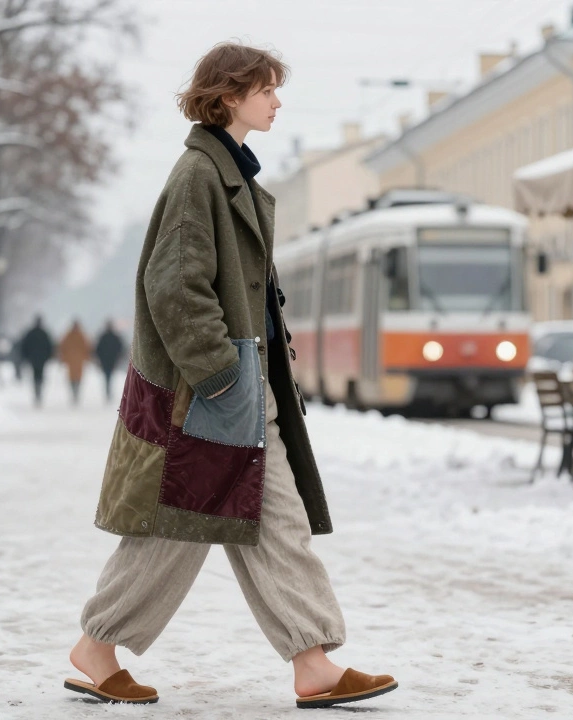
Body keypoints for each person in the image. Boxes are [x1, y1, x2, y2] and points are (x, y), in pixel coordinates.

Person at [65, 42, 395, 711]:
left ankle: (313, 662)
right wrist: (219, 374)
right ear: (230, 94)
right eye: (268, 89)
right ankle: (97, 647)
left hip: (239, 388)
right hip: (211, 391)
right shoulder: (199, 175)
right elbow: (175, 287)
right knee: (176, 526)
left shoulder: (225, 172)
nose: (277, 102)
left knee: (274, 519)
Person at [19, 316, 54, 407]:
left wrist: (26, 357)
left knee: (36, 376)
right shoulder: (44, 333)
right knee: (40, 375)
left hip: (33, 358)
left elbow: (24, 346)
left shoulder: (31, 333)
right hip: (41, 358)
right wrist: (48, 356)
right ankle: (38, 392)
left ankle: (37, 392)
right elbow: (49, 346)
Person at [59, 320, 93, 405]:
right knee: (77, 377)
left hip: (71, 360)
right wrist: (87, 358)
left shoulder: (69, 335)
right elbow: (87, 347)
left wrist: (63, 358)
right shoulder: (81, 335)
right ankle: (76, 392)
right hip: (78, 360)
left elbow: (63, 347)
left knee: (73, 377)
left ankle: (75, 392)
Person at [94, 320, 126, 402]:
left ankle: (108, 390)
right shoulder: (115, 337)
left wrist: (99, 358)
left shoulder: (103, 336)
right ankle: (108, 390)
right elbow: (121, 348)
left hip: (105, 360)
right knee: (109, 376)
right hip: (112, 360)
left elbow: (97, 349)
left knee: (107, 376)